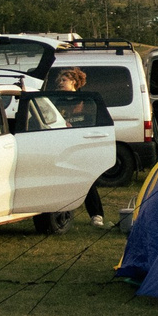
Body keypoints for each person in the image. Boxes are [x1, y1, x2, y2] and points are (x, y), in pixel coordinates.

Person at [50, 67, 107, 225]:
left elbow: (90, 120)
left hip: (80, 145)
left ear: (74, 82)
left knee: (87, 180)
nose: (60, 83)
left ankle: (96, 215)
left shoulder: (85, 100)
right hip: (60, 146)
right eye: (60, 80)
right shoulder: (54, 100)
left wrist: (72, 124)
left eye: (64, 80)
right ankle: (58, 217)